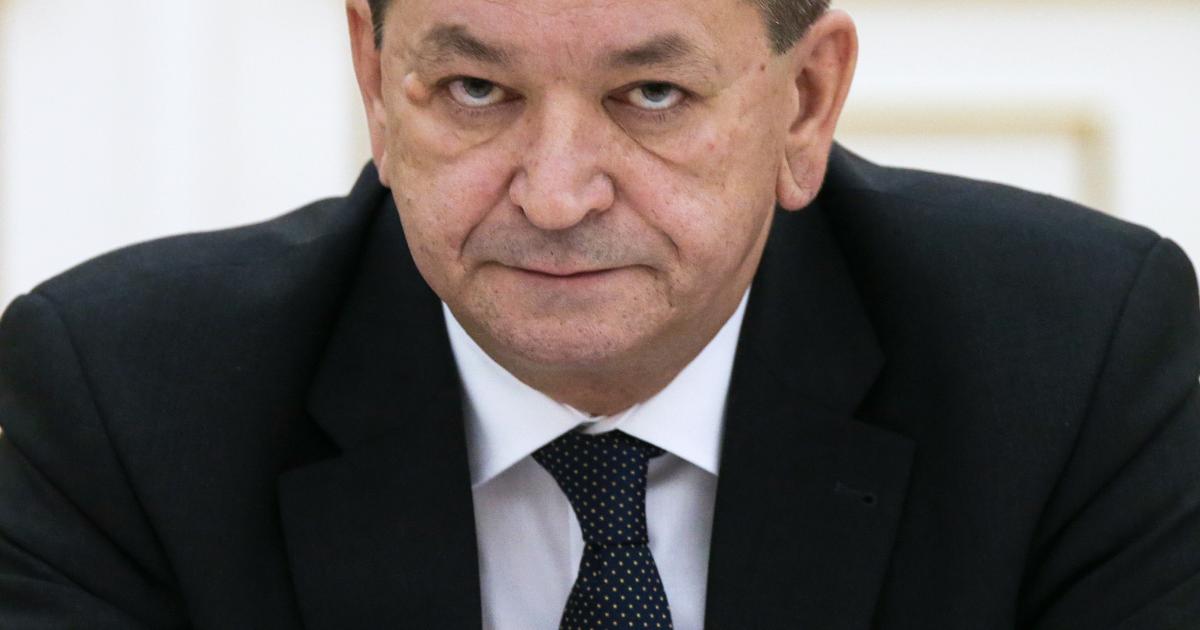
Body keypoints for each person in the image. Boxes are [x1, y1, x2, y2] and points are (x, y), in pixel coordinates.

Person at [1, 0, 1197, 627]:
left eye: (651, 94)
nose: (556, 193)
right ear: (375, 81)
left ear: (805, 102)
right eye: (476, 90)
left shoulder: (1075, 364)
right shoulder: (121, 404)